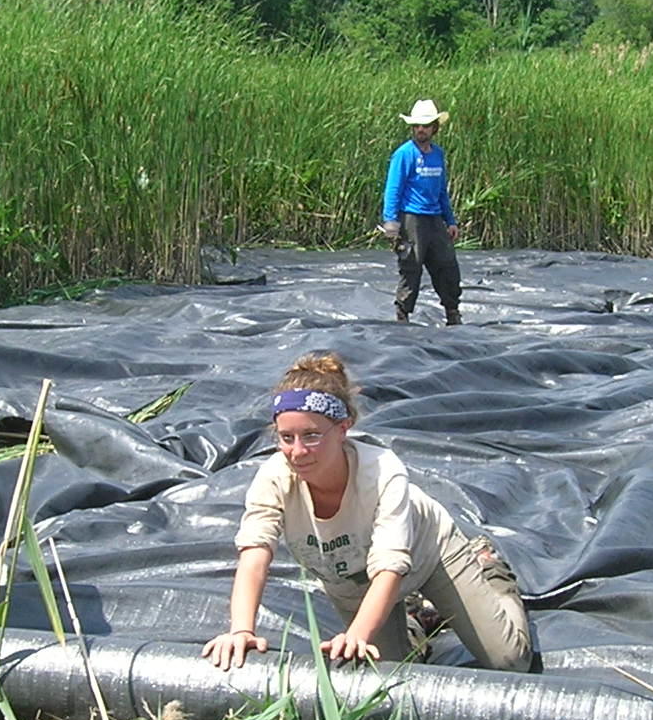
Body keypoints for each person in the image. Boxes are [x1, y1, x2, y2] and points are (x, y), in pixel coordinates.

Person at [201, 351, 536, 672]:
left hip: (429, 557)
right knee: (384, 675)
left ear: (344, 428)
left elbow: (390, 567)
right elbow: (254, 555)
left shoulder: (381, 472)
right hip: (351, 582)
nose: (298, 451)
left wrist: (357, 636)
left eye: (312, 436)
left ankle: (488, 570)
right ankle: (416, 618)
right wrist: (241, 630)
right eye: (286, 437)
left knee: (509, 661)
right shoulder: (274, 477)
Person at [380, 98, 462, 324]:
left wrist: (450, 220)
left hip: (434, 218)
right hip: (411, 219)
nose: (420, 129)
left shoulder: (438, 154)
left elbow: (441, 191)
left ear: (434, 127)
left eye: (425, 125)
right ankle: (402, 315)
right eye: (417, 125)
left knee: (446, 265)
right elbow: (393, 189)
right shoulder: (404, 154)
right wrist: (391, 223)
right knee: (411, 267)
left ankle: (452, 313)